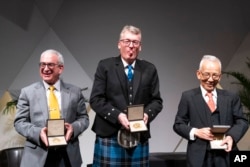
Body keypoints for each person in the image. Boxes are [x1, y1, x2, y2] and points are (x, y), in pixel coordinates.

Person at [89, 25, 163, 166]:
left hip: (139, 136)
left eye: (135, 42)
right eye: (127, 41)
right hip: (109, 134)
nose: (131, 46)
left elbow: (156, 101)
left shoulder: (149, 69)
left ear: (140, 46)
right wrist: (118, 116)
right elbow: (96, 99)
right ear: (119, 44)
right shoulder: (105, 66)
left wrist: (147, 114)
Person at [14, 49, 89, 167]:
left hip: (67, 156)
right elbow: (20, 122)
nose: (45, 68)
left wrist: (73, 128)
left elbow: (84, 119)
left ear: (60, 68)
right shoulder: (27, 92)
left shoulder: (75, 92)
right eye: (42, 64)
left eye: (50, 64)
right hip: (37, 156)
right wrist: (39, 133)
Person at [173, 55, 249, 167]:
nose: (210, 79)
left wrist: (231, 137)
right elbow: (178, 124)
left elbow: (242, 121)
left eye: (215, 75)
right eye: (206, 74)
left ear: (220, 77)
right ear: (198, 74)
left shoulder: (231, 97)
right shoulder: (188, 97)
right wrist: (196, 132)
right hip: (198, 157)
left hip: (226, 155)